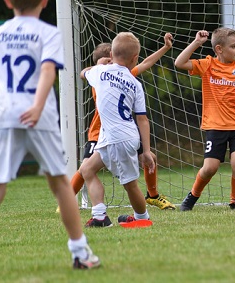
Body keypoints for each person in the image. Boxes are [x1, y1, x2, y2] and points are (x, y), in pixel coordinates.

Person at [0, 0, 100, 268]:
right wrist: (38, 106)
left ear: (6, 0)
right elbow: (46, 71)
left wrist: (0, 105)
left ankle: (82, 252)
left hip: (5, 113)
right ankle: (80, 253)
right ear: (45, 0)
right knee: (60, 184)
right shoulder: (49, 33)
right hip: (38, 117)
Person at [62, 33, 175, 211]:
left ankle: (151, 197)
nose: (108, 64)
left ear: (114, 57)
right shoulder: (108, 75)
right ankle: (69, 202)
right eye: (104, 61)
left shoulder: (106, 74)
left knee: (138, 169)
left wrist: (165, 48)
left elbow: (84, 73)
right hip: (100, 132)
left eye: (110, 60)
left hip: (119, 132)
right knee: (86, 168)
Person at [174, 28, 235, 211]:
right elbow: (179, 63)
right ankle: (192, 197)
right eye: (234, 46)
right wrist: (197, 43)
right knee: (209, 168)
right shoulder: (208, 65)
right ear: (219, 49)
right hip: (215, 126)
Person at [79, 32, 155, 226]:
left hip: (116, 137)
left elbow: (83, 73)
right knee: (87, 169)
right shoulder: (135, 83)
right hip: (122, 136)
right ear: (135, 58)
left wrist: (100, 64)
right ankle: (100, 217)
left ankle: (142, 219)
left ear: (111, 53)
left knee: (130, 184)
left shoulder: (100, 72)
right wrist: (145, 150)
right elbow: (142, 119)